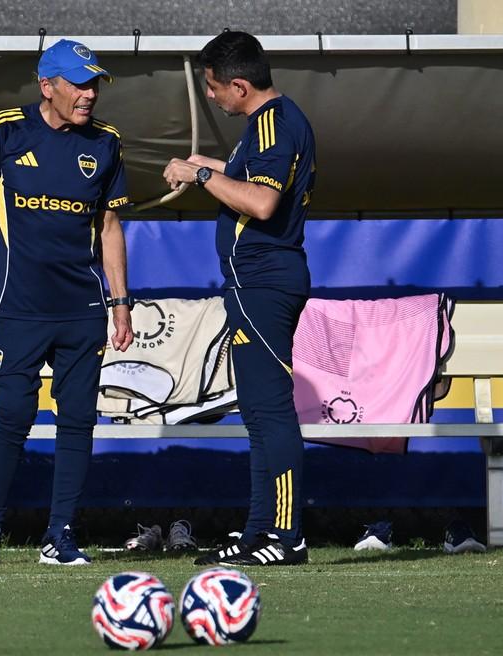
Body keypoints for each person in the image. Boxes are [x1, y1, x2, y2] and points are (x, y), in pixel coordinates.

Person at [0, 39, 134, 566]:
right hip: (19, 310)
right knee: (12, 416)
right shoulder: (4, 130)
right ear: (46, 85)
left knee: (78, 421)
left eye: (94, 83)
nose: (89, 94)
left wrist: (120, 302)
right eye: (78, 83)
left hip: (82, 311)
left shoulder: (106, 142)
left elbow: (111, 226)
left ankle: (61, 535)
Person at [163, 31, 316, 566]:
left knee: (271, 413)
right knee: (255, 411)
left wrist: (202, 174)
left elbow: (263, 202)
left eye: (213, 87)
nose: (210, 96)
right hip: (253, 285)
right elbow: (250, 179)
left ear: (240, 85)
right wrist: (208, 164)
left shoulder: (274, 125)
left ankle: (287, 537)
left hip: (265, 283)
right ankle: (258, 531)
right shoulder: (266, 125)